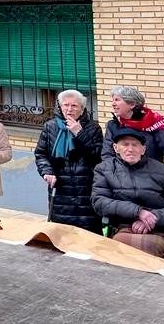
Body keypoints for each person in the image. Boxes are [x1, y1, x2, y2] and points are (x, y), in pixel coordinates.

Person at [92, 128, 164, 258]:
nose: (130, 149)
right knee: (121, 245)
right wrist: (138, 212)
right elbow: (99, 202)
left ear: (143, 149)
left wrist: (153, 218)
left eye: (135, 144)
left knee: (153, 247)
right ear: (116, 148)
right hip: (123, 227)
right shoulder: (104, 169)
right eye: (125, 144)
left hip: (158, 228)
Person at [33, 89, 104, 233]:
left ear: (82, 109)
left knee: (89, 235)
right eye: (66, 105)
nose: (69, 109)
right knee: (62, 234)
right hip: (61, 188)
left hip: (86, 188)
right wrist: (47, 171)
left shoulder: (93, 128)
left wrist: (80, 133)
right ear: (59, 106)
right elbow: (41, 154)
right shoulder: (50, 126)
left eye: (74, 106)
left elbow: (97, 156)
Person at [102, 86, 164, 167]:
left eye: (117, 100)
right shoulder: (113, 125)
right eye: (113, 100)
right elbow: (107, 155)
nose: (113, 104)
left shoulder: (155, 123)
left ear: (132, 104)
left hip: (152, 175)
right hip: (121, 176)